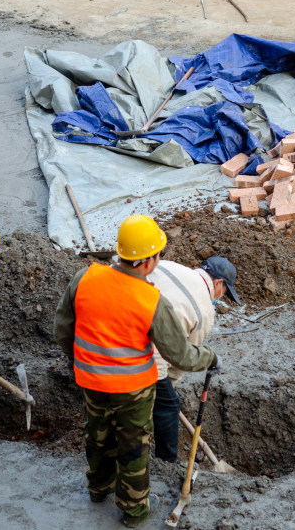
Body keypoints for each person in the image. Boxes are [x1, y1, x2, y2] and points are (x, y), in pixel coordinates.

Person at [54, 214, 221, 528]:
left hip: (91, 380)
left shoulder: (85, 277)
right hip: (134, 390)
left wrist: (79, 361)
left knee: (98, 434)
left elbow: (62, 329)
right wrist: (209, 358)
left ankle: (98, 488)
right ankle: (134, 510)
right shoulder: (151, 300)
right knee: (133, 446)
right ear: (148, 261)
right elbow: (180, 354)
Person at [147, 256, 240, 463]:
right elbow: (183, 358)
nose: (221, 297)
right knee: (169, 405)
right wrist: (166, 389)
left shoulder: (168, 265)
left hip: (114, 331)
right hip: (146, 355)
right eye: (224, 292)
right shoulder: (205, 312)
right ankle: (167, 462)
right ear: (218, 284)